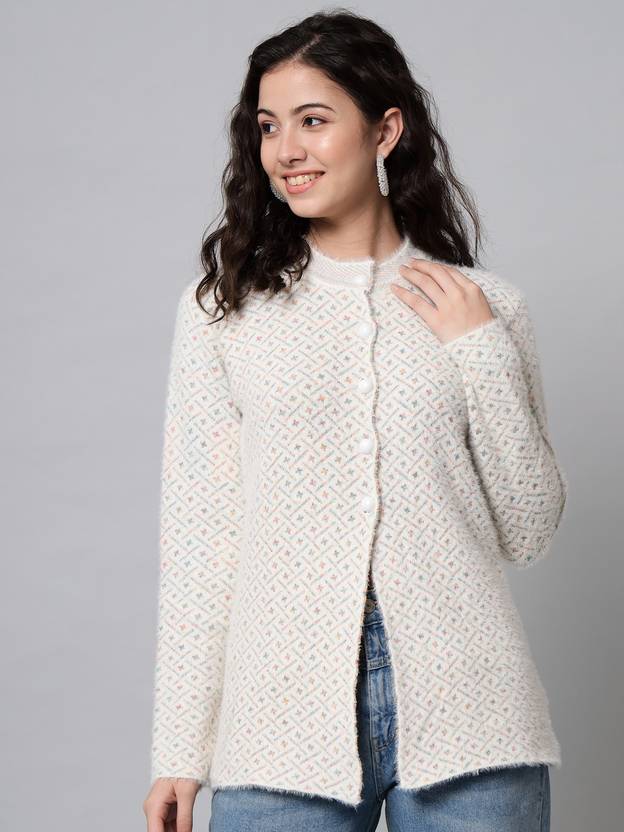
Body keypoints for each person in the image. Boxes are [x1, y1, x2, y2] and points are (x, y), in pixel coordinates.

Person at [143, 9, 567, 832]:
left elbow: (530, 530)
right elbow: (199, 543)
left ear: (385, 130)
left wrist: (477, 347)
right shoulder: (225, 312)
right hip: (279, 715)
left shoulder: (487, 308)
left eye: (313, 120)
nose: (285, 151)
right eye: (269, 126)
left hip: (472, 715)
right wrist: (180, 751)